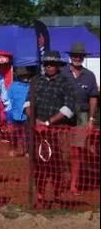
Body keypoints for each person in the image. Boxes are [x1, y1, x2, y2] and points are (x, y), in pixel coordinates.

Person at [26, 50, 81, 205]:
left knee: (58, 164)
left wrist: (48, 122)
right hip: (37, 130)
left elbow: (69, 108)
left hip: (59, 131)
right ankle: (40, 196)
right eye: (47, 64)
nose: (49, 66)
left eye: (52, 64)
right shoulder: (36, 81)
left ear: (58, 65)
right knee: (38, 165)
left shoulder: (66, 83)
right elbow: (28, 104)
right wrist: (36, 121)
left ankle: (57, 197)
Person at [66, 41, 99, 194]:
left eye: (80, 56)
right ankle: (61, 180)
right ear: (70, 56)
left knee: (76, 151)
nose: (77, 58)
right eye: (75, 55)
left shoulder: (89, 76)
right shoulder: (62, 73)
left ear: (83, 57)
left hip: (82, 116)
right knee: (62, 151)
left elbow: (93, 98)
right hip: (63, 116)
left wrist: (91, 119)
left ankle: (74, 184)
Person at [5, 66, 32, 155]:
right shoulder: (13, 86)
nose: (25, 77)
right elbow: (8, 101)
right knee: (13, 135)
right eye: (23, 76)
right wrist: (8, 117)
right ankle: (13, 149)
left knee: (27, 135)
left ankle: (27, 151)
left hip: (27, 116)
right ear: (19, 76)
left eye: (26, 75)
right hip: (14, 115)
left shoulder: (31, 86)